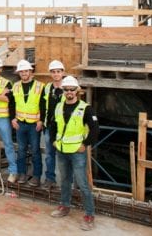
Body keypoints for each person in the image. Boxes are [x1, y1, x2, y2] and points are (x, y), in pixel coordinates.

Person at [50, 76, 99, 231]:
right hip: (62, 150)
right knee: (64, 181)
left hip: (77, 152)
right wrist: (53, 141)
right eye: (66, 90)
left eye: (72, 89)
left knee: (83, 184)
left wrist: (85, 144)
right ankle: (64, 206)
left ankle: (89, 215)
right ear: (63, 91)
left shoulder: (85, 108)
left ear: (77, 90)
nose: (69, 92)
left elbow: (95, 129)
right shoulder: (59, 106)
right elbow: (52, 125)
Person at [11, 59, 45, 187]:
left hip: (34, 124)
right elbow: (12, 103)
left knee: (35, 150)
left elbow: (43, 104)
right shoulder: (16, 86)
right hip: (20, 123)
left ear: (30, 72)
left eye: (26, 71)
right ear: (19, 73)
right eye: (21, 71)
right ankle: (22, 174)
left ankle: (36, 176)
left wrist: (41, 120)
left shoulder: (40, 86)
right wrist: (13, 118)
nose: (24, 73)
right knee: (21, 150)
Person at [42, 60, 66, 189]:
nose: (56, 74)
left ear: (63, 72)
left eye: (58, 71)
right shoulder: (47, 88)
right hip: (49, 127)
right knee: (49, 155)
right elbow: (43, 106)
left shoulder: (68, 88)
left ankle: (65, 182)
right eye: (53, 72)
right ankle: (50, 179)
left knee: (63, 156)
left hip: (63, 129)